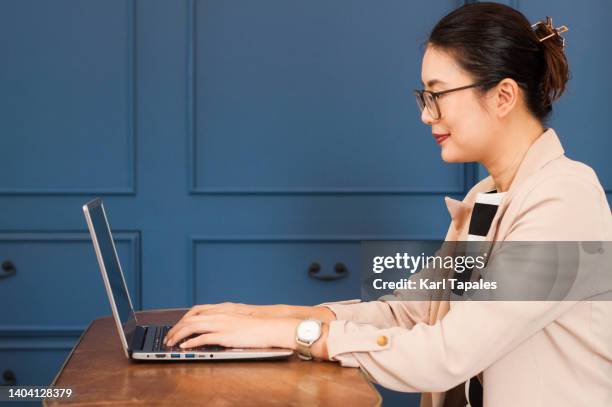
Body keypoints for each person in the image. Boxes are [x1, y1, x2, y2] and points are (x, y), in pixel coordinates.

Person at [164, 3, 612, 406]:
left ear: (503, 96)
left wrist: (292, 335)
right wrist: (263, 317)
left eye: (437, 95)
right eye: (424, 96)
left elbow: (446, 353)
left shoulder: (565, 202)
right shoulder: (487, 197)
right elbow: (411, 311)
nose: (425, 114)